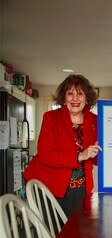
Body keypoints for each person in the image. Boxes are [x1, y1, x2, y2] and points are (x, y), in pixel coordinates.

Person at [24, 74, 101, 217]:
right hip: (50, 185)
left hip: (81, 188)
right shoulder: (51, 117)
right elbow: (45, 155)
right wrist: (80, 156)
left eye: (80, 93)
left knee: (78, 233)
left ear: (87, 97)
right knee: (51, 234)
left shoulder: (96, 121)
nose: (75, 98)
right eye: (70, 93)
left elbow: (95, 158)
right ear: (64, 97)